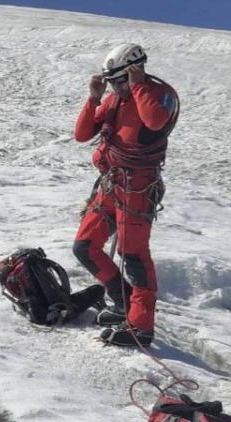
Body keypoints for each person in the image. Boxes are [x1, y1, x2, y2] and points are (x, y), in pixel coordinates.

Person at [72, 44, 179, 347]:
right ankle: (125, 304)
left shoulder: (158, 95)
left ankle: (141, 327)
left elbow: (155, 121)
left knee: (133, 258)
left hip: (137, 189)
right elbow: (82, 134)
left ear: (136, 70)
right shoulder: (113, 100)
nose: (117, 88)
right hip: (110, 185)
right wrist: (94, 97)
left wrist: (138, 85)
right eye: (113, 82)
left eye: (120, 81)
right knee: (84, 246)